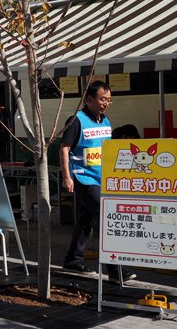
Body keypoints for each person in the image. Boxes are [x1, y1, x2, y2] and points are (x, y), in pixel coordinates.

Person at [59, 81, 135, 283]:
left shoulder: (105, 120)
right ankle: (115, 269)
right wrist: (67, 176)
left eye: (109, 100)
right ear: (89, 99)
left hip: (102, 178)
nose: (106, 103)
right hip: (84, 178)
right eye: (102, 99)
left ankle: (72, 259)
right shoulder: (77, 120)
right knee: (106, 217)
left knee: (87, 219)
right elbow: (64, 148)